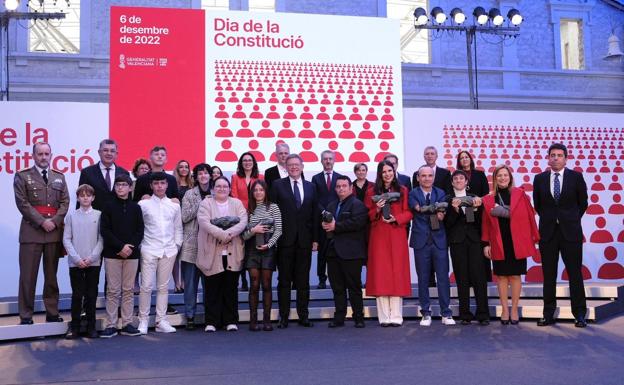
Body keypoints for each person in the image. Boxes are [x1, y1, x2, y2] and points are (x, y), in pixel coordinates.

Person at [13, 142, 70, 325]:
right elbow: (22, 203)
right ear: (33, 156)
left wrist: (53, 222)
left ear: (51, 155)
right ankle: (26, 315)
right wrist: (41, 222)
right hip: (31, 232)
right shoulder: (22, 176)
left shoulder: (59, 177)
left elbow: (65, 202)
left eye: (47, 154)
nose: (43, 157)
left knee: (51, 276)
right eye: (40, 154)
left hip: (53, 233)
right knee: (28, 277)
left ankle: (52, 312)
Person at [533, 143, 588, 327]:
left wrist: (569, 219)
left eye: (559, 155)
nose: (555, 158)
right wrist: (552, 219)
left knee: (575, 274)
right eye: (552, 155)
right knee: (548, 275)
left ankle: (579, 314)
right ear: (548, 158)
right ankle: (548, 314)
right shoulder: (539, 178)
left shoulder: (576, 177)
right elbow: (538, 205)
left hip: (571, 233)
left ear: (566, 158)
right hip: (548, 233)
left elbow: (583, 203)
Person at [482, 165, 539, 325]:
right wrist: (486, 244)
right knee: (501, 276)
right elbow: (485, 223)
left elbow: (530, 217)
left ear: (510, 177)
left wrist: (534, 238)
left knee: (515, 275)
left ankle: (514, 309)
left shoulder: (520, 194)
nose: (502, 178)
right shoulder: (488, 199)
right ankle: (504, 310)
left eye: (505, 175)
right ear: (494, 178)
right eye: (499, 175)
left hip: (517, 241)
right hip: (498, 241)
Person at [270, 154, 319, 328]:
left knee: (303, 281)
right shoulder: (277, 185)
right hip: (284, 241)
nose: (293, 167)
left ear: (302, 166)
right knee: (284, 281)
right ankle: (283, 316)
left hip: (305, 242)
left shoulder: (311, 187)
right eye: (290, 165)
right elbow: (272, 213)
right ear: (286, 166)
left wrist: (315, 239)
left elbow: (314, 215)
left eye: (296, 164)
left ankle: (303, 316)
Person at [196, 176, 248, 332]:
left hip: (232, 252)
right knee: (212, 288)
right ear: (213, 188)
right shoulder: (206, 203)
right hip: (211, 252)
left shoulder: (237, 203)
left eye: (225, 186)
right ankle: (211, 321)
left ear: (229, 188)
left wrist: (229, 234)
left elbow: (243, 221)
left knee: (230, 288)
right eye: (218, 186)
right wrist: (222, 235)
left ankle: (230, 320)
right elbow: (204, 222)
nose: (222, 189)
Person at [364, 160, 412, 326]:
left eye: (389, 170)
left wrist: (397, 218)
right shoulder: (371, 191)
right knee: (381, 274)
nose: (387, 174)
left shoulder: (403, 190)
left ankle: (397, 317)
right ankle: (384, 317)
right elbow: (367, 214)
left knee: (396, 274)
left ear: (394, 170)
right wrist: (377, 209)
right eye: (384, 171)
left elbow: (408, 212)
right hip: (379, 235)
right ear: (379, 173)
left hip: (397, 233)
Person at [137, 172, 183, 334]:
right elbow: (138, 227)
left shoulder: (174, 205)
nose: (160, 186)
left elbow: (178, 228)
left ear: (167, 185)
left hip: (169, 250)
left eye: (162, 183)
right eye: (156, 184)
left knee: (163, 287)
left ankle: (161, 321)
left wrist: (176, 246)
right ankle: (143, 321)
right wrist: (142, 246)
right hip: (149, 249)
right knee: (146, 286)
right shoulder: (143, 205)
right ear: (151, 186)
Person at [99, 174, 144, 338]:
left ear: (130, 187)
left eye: (124, 185)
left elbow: (140, 231)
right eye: (117, 185)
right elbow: (105, 230)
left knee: (128, 290)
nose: (120, 187)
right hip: (112, 254)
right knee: (112, 290)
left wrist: (129, 247)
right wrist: (120, 246)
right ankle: (111, 324)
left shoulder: (136, 208)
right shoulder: (108, 206)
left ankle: (126, 323)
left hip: (131, 255)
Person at [409, 165, 455, 326]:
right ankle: (426, 313)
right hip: (421, 241)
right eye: (423, 176)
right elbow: (418, 208)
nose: (427, 178)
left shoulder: (441, 193)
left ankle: (446, 313)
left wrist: (440, 213)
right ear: (418, 178)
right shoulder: (412, 193)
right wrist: (434, 209)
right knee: (423, 278)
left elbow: (442, 213)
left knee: (443, 278)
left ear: (433, 177)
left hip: (439, 240)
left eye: (430, 175)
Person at [321, 175, 367, 328]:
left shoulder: (357, 204)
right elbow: (328, 223)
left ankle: (358, 317)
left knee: (354, 287)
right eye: (338, 186)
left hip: (351, 253)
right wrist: (325, 225)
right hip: (333, 252)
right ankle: (339, 317)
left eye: (344, 186)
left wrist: (336, 226)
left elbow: (358, 223)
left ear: (350, 188)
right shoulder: (332, 205)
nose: (341, 189)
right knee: (337, 288)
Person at [444, 170, 489, 325]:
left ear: (466, 181)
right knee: (461, 277)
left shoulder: (475, 198)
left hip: (474, 240)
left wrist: (475, 210)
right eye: (455, 178)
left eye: (461, 178)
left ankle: (483, 314)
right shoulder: (447, 199)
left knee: (479, 277)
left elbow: (478, 223)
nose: (458, 180)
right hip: (457, 242)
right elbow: (446, 224)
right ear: (452, 182)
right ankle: (465, 314)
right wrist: (455, 211)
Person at [62, 184, 103, 339]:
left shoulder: (99, 215)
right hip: (75, 263)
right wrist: (77, 259)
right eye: (82, 195)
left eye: (88, 195)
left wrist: (92, 257)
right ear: (78, 198)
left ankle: (91, 327)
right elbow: (66, 239)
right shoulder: (71, 216)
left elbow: (101, 239)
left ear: (93, 198)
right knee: (77, 295)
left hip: (93, 262)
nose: (85, 198)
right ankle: (75, 327)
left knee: (91, 295)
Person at [242, 180, 282, 331]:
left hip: (268, 250)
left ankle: (266, 320)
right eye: (255, 190)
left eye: (261, 190)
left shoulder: (273, 207)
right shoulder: (248, 209)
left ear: (266, 191)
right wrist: (254, 230)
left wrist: (269, 244)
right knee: (254, 285)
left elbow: (279, 230)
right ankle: (253, 321)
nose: (258, 192)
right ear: (252, 193)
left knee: (266, 285)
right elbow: (244, 235)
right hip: (252, 249)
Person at [179, 163, 211, 330]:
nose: (203, 176)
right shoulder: (190, 194)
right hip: (191, 245)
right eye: (200, 173)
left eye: (206, 173)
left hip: (210, 245)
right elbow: (184, 217)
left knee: (209, 284)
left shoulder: (217, 192)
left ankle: (209, 317)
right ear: (196, 177)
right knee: (190, 284)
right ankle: (190, 316)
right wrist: (201, 204)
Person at [457, 150, 492, 282]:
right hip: (463, 217)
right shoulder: (457, 176)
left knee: (481, 248)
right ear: (459, 162)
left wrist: (478, 201)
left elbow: (486, 194)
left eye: (466, 157)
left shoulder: (480, 174)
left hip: (479, 215)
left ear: (470, 159)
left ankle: (485, 280)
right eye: (461, 158)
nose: (464, 159)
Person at [231, 152, 264, 292]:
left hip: (257, 215)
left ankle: (253, 280)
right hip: (240, 216)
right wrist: (244, 212)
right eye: (244, 160)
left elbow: (262, 194)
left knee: (252, 247)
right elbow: (234, 195)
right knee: (240, 247)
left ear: (254, 162)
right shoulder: (235, 177)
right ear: (241, 163)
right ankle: (242, 279)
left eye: (250, 160)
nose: (247, 162)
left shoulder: (261, 177)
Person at [311, 150, 342, 289]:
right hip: (321, 219)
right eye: (325, 159)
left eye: (330, 159)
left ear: (334, 160)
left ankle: (339, 278)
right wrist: (324, 211)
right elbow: (314, 199)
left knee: (338, 250)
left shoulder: (340, 178)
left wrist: (334, 213)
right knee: (322, 252)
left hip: (337, 219)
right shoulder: (315, 178)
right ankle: (322, 279)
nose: (328, 161)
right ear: (321, 161)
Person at [77, 139, 130, 211]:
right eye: (105, 150)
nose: (109, 153)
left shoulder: (124, 173)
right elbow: (81, 197)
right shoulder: (87, 173)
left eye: (112, 151)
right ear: (99, 152)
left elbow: (128, 200)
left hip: (119, 218)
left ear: (116, 154)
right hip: (95, 219)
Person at [173, 159, 194, 294]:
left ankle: (185, 283)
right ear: (177, 169)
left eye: (186, 166)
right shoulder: (172, 184)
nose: (184, 169)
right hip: (174, 222)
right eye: (181, 167)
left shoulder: (193, 186)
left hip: (189, 222)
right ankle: (177, 283)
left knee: (186, 254)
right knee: (175, 254)